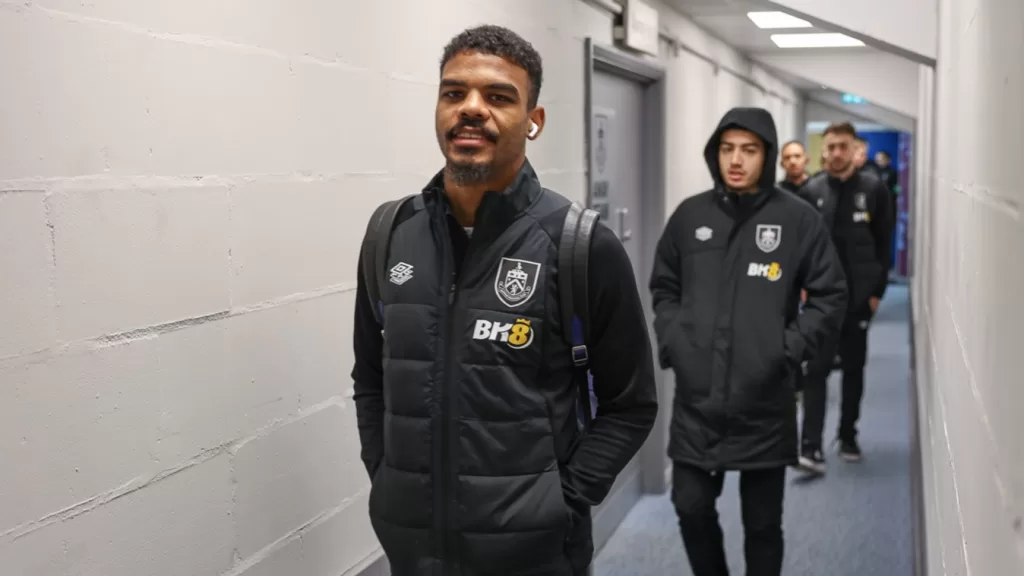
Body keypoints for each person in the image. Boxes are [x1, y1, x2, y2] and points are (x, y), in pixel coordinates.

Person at [351, 25, 658, 576]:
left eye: (498, 97)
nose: (471, 109)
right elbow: (370, 378)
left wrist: (560, 503)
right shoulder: (389, 233)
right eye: (454, 93)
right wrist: (386, 476)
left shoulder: (579, 245)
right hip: (412, 549)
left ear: (533, 121)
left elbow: (631, 405)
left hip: (534, 555)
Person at [650, 107, 847, 576]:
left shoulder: (797, 219)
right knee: (690, 506)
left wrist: (787, 350)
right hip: (697, 403)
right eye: (727, 148)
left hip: (764, 402)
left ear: (769, 155)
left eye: (749, 150)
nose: (736, 160)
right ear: (715, 153)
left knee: (762, 525)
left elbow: (829, 294)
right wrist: (676, 340)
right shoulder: (690, 215)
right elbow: (664, 286)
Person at [797, 122, 894, 472]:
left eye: (844, 146)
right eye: (832, 146)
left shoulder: (875, 190)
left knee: (853, 370)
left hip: (858, 299)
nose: (837, 153)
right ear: (824, 150)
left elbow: (885, 245)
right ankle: (810, 445)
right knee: (816, 371)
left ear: (855, 149)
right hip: (821, 301)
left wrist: (876, 293)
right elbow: (800, 246)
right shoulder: (811, 190)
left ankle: (848, 434)